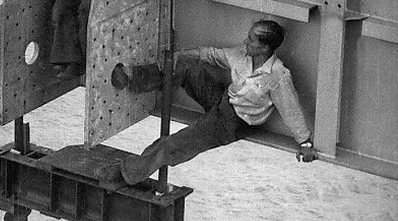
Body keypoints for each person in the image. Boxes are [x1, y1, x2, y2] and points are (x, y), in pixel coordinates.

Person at [97, 20, 317, 186]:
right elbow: (211, 55)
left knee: (171, 145)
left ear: (264, 48)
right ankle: (134, 77)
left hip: (231, 124)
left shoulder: (278, 76)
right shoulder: (242, 54)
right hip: (223, 100)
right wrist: (179, 56)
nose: (245, 42)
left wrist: (305, 143)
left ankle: (126, 174)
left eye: (251, 40)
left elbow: (291, 110)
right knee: (187, 67)